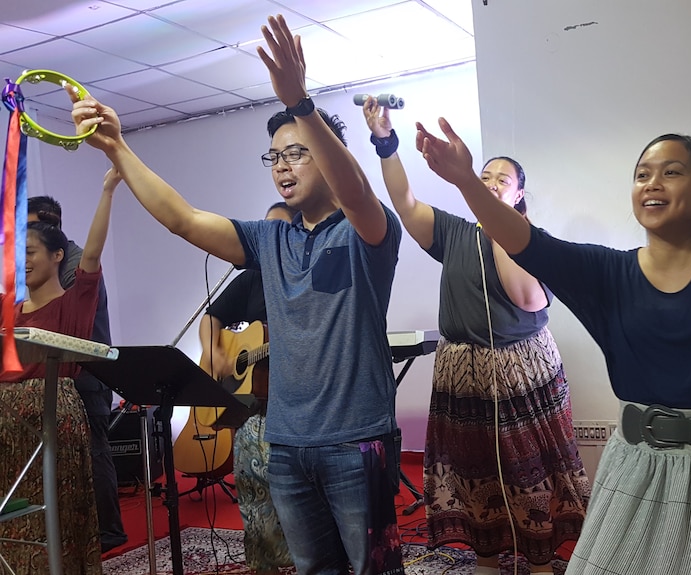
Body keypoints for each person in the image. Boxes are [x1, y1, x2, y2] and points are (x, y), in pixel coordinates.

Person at [414, 43, 691, 575]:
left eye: (672, 173)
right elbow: (528, 241)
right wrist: (465, 181)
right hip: (635, 468)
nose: (652, 183)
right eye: (643, 173)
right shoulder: (608, 274)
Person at [68, 14, 405, 575]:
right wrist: (118, 151)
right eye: (274, 157)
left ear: (326, 153)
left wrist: (301, 103)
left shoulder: (367, 231)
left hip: (356, 443)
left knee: (375, 569)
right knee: (312, 568)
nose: (281, 167)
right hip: (288, 444)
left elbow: (358, 190)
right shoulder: (269, 237)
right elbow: (181, 218)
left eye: (295, 153)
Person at [363, 99, 591, 573]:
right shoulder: (454, 232)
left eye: (500, 181)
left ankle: (543, 560)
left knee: (534, 474)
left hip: (521, 373)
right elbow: (404, 204)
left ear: (519, 194)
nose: (489, 184)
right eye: (483, 177)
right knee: (474, 474)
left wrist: (502, 227)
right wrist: (386, 144)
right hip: (462, 373)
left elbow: (528, 299)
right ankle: (486, 556)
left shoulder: (529, 238)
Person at [0, 168, 118, 574]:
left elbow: (93, 256)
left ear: (56, 256)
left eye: (30, 251)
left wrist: (107, 190)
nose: (23, 261)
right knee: (11, 521)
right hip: (6, 427)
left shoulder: (73, 303)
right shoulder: (8, 311)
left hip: (52, 421)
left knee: (56, 516)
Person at [27, 195, 128, 554]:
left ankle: (107, 532)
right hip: (63, 379)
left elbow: (63, 317)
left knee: (94, 454)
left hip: (84, 375)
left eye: (32, 226)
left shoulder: (70, 266)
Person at [198, 201, 295, 575]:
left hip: (298, 406)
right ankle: (264, 563)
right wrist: (214, 351)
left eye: (280, 230)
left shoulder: (309, 278)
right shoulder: (252, 276)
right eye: (263, 231)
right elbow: (211, 318)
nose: (268, 239)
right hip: (255, 408)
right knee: (253, 491)